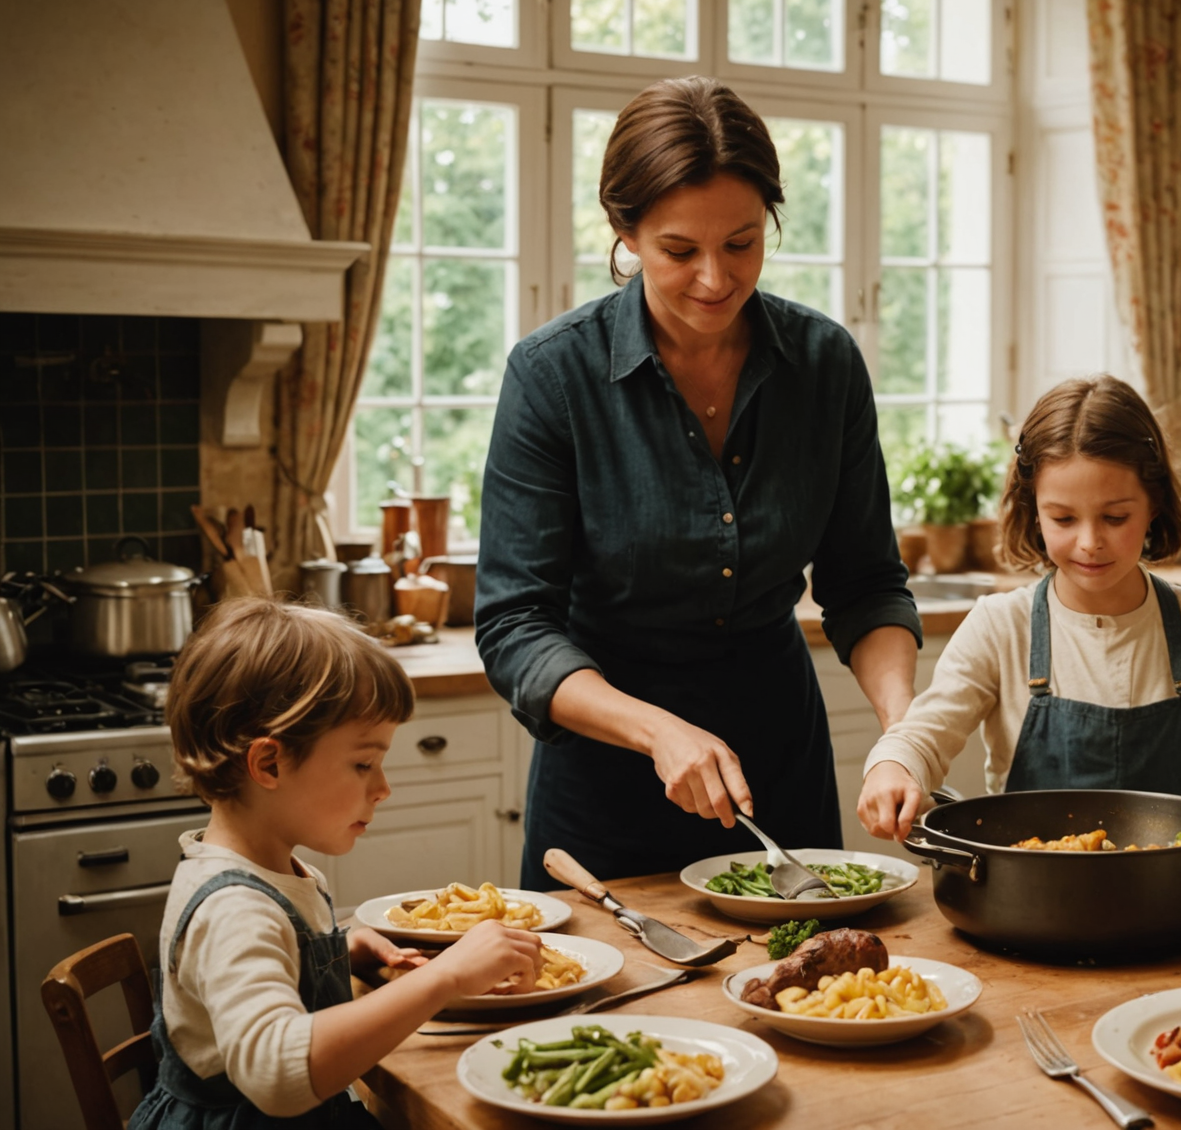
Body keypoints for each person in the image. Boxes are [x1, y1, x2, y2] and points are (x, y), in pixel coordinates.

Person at [477, 76, 921, 889]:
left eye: (743, 243)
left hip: (779, 767)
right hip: (607, 778)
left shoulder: (824, 365)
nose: (716, 279)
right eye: (680, 251)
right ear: (626, 231)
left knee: (807, 994)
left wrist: (902, 729)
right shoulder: (552, 376)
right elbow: (515, 626)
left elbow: (866, 583)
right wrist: (656, 732)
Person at [857, 375, 1181, 865]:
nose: (1089, 542)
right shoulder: (1000, 626)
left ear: (1154, 506)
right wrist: (892, 766)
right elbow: (922, 736)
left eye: (1115, 518)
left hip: (1173, 901)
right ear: (1032, 509)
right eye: (1063, 518)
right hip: (1027, 903)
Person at [132, 598, 545, 1129]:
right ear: (269, 762)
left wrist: (338, 953)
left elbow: (259, 974)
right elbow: (278, 1076)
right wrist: (444, 977)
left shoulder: (272, 873)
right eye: (363, 763)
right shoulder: (234, 909)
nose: (383, 788)